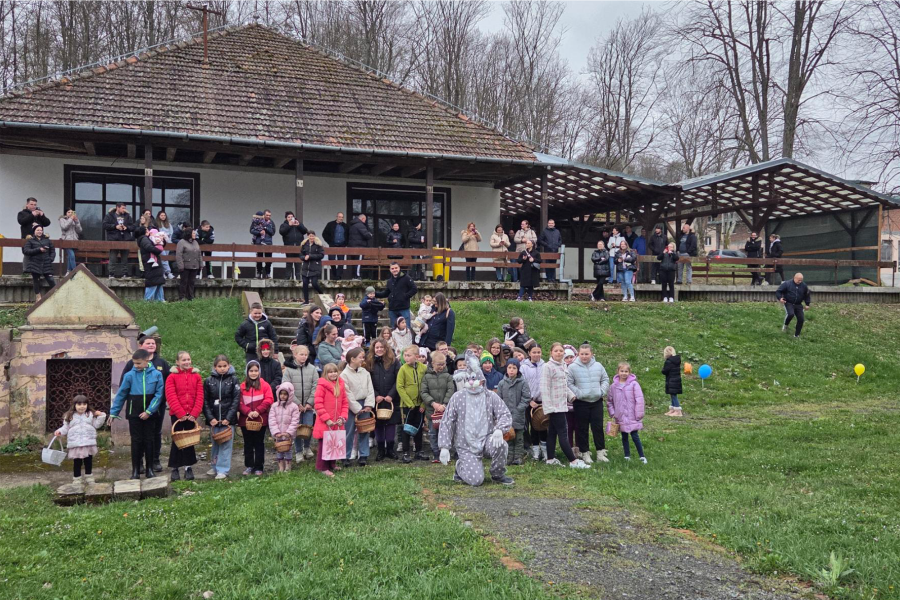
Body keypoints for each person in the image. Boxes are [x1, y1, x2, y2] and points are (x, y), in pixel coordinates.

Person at [438, 350, 514, 486]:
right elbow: (447, 421)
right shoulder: (458, 397)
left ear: (482, 380)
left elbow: (504, 414)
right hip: (466, 444)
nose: (472, 383)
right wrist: (444, 446)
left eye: (475, 379)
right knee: (476, 481)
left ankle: (498, 474)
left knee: (501, 445)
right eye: (469, 380)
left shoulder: (490, 396)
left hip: (486, 439)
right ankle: (460, 467)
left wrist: (499, 430)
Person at [108, 349, 164, 479]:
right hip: (134, 412)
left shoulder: (156, 374)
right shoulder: (129, 376)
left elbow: (159, 394)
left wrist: (149, 411)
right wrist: (113, 413)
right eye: (134, 363)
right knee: (136, 440)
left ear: (147, 361)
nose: (136, 366)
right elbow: (121, 394)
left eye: (139, 363)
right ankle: (135, 470)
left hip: (150, 413)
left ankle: (150, 469)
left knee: (149, 440)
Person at [120, 335, 170, 474]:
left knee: (155, 434)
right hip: (136, 408)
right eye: (148, 343)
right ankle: (139, 463)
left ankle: (154, 460)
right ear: (141, 345)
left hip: (156, 407)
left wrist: (161, 402)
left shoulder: (161, 363)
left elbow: (167, 384)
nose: (151, 345)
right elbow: (123, 386)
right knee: (138, 437)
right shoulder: (132, 363)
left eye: (153, 343)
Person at [541, 343, 590, 469]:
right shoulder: (548, 367)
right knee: (563, 433)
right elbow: (545, 388)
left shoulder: (563, 366)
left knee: (552, 432)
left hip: (562, 404)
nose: (559, 353)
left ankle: (550, 459)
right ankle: (573, 461)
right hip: (554, 407)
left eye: (561, 351)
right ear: (551, 353)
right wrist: (548, 407)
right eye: (556, 350)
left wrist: (571, 396)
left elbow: (563, 385)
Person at [566, 343, 610, 465]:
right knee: (582, 428)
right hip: (581, 402)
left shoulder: (598, 366)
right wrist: (578, 394)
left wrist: (601, 391)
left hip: (596, 401)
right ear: (578, 354)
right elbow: (569, 383)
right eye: (582, 354)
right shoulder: (572, 368)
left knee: (597, 427)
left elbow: (605, 379)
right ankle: (585, 453)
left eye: (587, 354)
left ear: (591, 354)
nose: (584, 356)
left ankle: (600, 452)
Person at [165, 351, 204, 481]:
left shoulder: (196, 376)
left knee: (189, 441)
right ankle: (175, 468)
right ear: (177, 362)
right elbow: (171, 396)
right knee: (177, 440)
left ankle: (188, 467)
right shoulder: (171, 377)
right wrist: (180, 413)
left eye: (188, 359)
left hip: (191, 415)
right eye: (183, 360)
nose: (187, 362)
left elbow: (200, 396)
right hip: (177, 414)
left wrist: (194, 413)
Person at [54, 395, 105, 487]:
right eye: (79, 404)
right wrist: (59, 431)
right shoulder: (69, 416)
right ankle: (77, 479)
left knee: (88, 461)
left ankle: (89, 477)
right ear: (74, 405)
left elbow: (97, 425)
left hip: (88, 443)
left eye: (84, 404)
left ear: (87, 405)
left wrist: (101, 416)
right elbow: (65, 427)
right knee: (77, 462)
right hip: (76, 443)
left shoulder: (89, 415)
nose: (82, 406)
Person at [203, 354, 240, 479]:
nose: (222, 368)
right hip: (214, 419)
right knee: (215, 444)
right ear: (215, 367)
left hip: (227, 420)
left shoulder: (233, 380)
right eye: (220, 366)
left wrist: (228, 418)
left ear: (229, 366)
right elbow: (205, 401)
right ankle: (214, 466)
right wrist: (210, 418)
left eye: (225, 366)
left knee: (226, 445)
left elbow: (236, 400)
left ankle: (223, 470)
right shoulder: (208, 381)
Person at [340, 347, 375, 467]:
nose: (362, 359)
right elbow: (347, 393)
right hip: (351, 406)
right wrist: (357, 409)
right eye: (360, 357)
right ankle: (346, 455)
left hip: (365, 404)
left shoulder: (365, 372)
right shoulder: (344, 375)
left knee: (364, 430)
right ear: (352, 359)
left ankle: (364, 455)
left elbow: (370, 389)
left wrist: (369, 405)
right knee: (348, 431)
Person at [282, 344, 318, 462]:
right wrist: (297, 404)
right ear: (295, 355)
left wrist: (309, 402)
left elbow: (315, 386)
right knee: (296, 428)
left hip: (308, 406)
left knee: (308, 427)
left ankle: (307, 448)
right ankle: (298, 451)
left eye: (306, 355)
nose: (304, 357)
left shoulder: (312, 369)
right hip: (294, 406)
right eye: (301, 354)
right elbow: (286, 388)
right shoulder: (289, 370)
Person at [366, 339, 401, 461]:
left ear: (386, 348)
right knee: (379, 424)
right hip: (377, 399)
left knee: (391, 424)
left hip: (391, 398)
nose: (379, 349)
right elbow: (367, 381)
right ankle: (381, 450)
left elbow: (398, 380)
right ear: (373, 349)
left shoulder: (394, 362)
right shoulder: (369, 362)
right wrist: (375, 395)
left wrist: (391, 394)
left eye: (382, 347)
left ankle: (390, 449)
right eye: (377, 347)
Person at [238, 360, 274, 476]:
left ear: (259, 372)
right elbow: (238, 402)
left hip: (260, 419)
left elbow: (269, 399)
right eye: (251, 371)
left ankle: (259, 466)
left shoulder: (265, 385)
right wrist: (247, 412)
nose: (254, 373)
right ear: (247, 372)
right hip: (246, 420)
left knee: (259, 443)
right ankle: (249, 465)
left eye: (256, 371)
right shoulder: (242, 386)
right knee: (248, 443)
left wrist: (258, 411)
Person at [313, 363, 348, 477]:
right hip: (325, 422)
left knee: (334, 443)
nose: (333, 374)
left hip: (337, 421)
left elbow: (345, 403)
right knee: (324, 445)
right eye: (330, 372)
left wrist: (342, 417)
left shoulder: (341, 385)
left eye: (335, 371)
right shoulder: (321, 386)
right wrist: (326, 419)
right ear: (325, 374)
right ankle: (322, 467)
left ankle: (332, 464)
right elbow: (318, 404)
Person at [608, 362, 646, 463]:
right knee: (624, 436)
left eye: (626, 371)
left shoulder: (634, 384)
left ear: (629, 372)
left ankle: (642, 456)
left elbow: (639, 399)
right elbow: (609, 401)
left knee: (635, 436)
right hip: (620, 416)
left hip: (632, 415)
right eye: (622, 371)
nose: (624, 373)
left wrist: (639, 414)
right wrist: (613, 413)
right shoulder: (613, 386)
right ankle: (627, 455)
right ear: (618, 372)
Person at [421, 351, 454, 463]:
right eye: (439, 364)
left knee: (446, 432)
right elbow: (423, 392)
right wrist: (433, 403)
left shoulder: (448, 376)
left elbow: (451, 390)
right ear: (433, 363)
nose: (441, 366)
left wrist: (444, 404)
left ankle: (446, 453)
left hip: (445, 410)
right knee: (433, 433)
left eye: (443, 364)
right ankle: (436, 453)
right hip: (432, 411)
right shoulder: (426, 377)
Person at [497, 358, 531, 466]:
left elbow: (526, 397)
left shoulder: (523, 382)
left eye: (514, 368)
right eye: (509, 368)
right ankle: (509, 457)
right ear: (506, 369)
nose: (511, 370)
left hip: (519, 415)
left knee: (519, 438)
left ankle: (518, 457)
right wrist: (503, 411)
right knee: (508, 437)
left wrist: (519, 409)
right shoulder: (502, 383)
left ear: (518, 369)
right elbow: (499, 399)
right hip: (506, 415)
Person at [397, 345, 427, 463]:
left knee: (418, 428)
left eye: (409, 355)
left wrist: (423, 404)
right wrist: (409, 403)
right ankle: (405, 452)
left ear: (417, 357)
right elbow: (400, 387)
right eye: (405, 355)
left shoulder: (423, 368)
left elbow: (426, 385)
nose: (406, 358)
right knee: (406, 428)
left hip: (420, 405)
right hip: (407, 405)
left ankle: (419, 451)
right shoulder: (403, 369)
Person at [375, 262, 418, 328]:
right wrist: (374, 294)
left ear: (399, 268)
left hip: (404, 308)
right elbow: (386, 293)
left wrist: (405, 296)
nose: (394, 270)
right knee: (394, 329)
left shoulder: (406, 277)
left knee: (406, 329)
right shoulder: (389, 281)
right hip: (392, 309)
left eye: (396, 268)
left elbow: (414, 289)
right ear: (390, 270)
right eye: (392, 268)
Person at [270, 382, 301, 473]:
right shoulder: (274, 406)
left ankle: (288, 465)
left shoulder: (294, 407)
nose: (283, 396)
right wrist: (276, 432)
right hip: (278, 434)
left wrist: (288, 432)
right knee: (279, 449)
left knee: (288, 449)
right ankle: (280, 466)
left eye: (285, 394)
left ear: (290, 395)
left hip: (288, 435)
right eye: (281, 394)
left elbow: (295, 421)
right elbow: (272, 420)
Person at [22, 226, 55, 301]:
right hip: (35, 263)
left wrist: (51, 259)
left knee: (51, 279)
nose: (40, 231)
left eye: (41, 230)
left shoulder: (47, 240)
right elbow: (26, 251)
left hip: (46, 263)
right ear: (34, 231)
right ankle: (38, 296)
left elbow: (52, 250)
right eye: (38, 230)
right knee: (36, 280)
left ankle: (55, 294)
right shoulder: (30, 241)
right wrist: (38, 249)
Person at [103, 203, 134, 278]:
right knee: (113, 257)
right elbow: (105, 225)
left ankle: (125, 273)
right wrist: (115, 226)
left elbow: (133, 226)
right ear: (118, 207)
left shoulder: (127, 216)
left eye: (125, 208)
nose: (124, 210)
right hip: (114, 239)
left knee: (125, 258)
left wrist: (126, 227)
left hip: (125, 239)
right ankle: (111, 273)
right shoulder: (109, 216)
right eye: (123, 208)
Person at [776, 272, 811, 338]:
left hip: (798, 304)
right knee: (790, 314)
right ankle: (785, 325)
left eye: (801, 280)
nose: (800, 281)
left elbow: (807, 295)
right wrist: (780, 298)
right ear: (794, 278)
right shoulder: (787, 284)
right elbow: (778, 291)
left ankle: (796, 335)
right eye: (798, 280)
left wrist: (807, 304)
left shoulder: (804, 286)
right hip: (789, 303)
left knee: (801, 319)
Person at [297, 230, 325, 304]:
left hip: (315, 267)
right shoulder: (304, 245)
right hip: (306, 267)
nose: (311, 237)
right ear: (308, 236)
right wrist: (304, 258)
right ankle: (306, 301)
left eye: (313, 235)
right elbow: (301, 255)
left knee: (314, 283)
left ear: (315, 236)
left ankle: (322, 295)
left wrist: (310, 256)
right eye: (310, 235)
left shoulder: (318, 245)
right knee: (305, 284)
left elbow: (321, 255)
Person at [280, 211, 307, 280]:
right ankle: (287, 278)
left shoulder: (298, 224)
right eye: (288, 217)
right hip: (289, 247)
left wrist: (299, 225)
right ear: (286, 218)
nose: (290, 218)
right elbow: (282, 232)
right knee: (289, 263)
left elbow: (305, 231)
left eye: (292, 217)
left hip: (298, 247)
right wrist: (289, 225)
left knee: (298, 263)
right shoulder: (284, 225)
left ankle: (298, 278)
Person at [175, 226, 201, 301]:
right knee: (184, 282)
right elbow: (178, 255)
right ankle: (182, 297)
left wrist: (201, 264)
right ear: (189, 234)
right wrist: (180, 266)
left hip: (195, 265)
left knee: (192, 282)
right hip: (185, 266)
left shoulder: (195, 242)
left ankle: (191, 297)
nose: (195, 234)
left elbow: (199, 253)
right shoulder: (181, 242)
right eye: (193, 233)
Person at [322, 212, 349, 281]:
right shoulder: (330, 224)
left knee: (341, 261)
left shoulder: (345, 226)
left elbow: (348, 236)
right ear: (336, 217)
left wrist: (345, 243)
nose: (341, 218)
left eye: (342, 217)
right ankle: (334, 275)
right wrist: (330, 242)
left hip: (342, 246)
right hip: (333, 245)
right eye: (340, 217)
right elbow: (324, 234)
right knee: (331, 260)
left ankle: (338, 276)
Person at [250, 210, 275, 279]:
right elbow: (251, 230)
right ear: (264, 215)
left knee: (268, 259)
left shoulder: (271, 223)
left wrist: (265, 228)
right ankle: (259, 273)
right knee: (259, 258)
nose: (268, 217)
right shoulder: (256, 221)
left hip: (268, 242)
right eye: (267, 215)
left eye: (270, 215)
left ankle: (268, 273)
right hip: (259, 242)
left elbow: (272, 232)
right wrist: (259, 232)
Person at [348, 213, 373, 279]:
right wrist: (370, 235)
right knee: (359, 262)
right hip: (359, 247)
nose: (365, 221)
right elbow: (366, 235)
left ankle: (354, 276)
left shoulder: (352, 225)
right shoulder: (360, 225)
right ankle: (357, 275)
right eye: (365, 220)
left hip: (352, 247)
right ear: (362, 219)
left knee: (354, 262)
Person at [58, 209, 82, 275]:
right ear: (66, 213)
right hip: (66, 240)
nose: (70, 213)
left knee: (70, 256)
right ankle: (74, 271)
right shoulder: (62, 219)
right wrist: (71, 219)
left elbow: (79, 230)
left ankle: (68, 271)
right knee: (71, 255)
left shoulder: (75, 220)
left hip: (74, 240)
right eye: (69, 212)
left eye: (72, 212)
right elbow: (64, 227)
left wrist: (77, 221)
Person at [662, 346, 683, 417]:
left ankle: (678, 411)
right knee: (673, 395)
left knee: (673, 395)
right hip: (676, 380)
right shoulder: (676, 361)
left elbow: (664, 371)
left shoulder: (668, 362)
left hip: (671, 381)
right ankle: (673, 409)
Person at [156, 211, 175, 280]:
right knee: (163, 258)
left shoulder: (169, 224)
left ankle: (164, 272)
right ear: (159, 216)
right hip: (160, 243)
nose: (163, 216)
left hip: (168, 243)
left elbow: (171, 233)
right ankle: (167, 272)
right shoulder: (157, 224)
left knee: (166, 258)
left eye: (164, 215)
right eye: (161, 215)